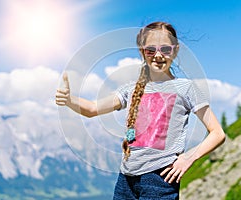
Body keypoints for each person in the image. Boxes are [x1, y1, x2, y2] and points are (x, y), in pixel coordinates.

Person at [55, 21, 226, 200]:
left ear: (175, 51)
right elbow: (92, 109)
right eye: (151, 50)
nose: (158, 55)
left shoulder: (186, 88)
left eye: (165, 49)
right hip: (125, 180)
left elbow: (217, 133)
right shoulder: (130, 89)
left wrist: (188, 158)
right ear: (142, 52)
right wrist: (68, 100)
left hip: (160, 179)